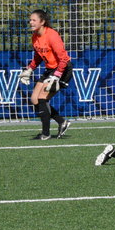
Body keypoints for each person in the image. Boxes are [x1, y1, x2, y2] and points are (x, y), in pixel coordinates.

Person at [18, 9, 73, 140]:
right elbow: (38, 56)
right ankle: (61, 121)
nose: (31, 22)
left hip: (62, 69)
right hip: (50, 70)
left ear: (42, 22)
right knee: (34, 99)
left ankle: (46, 133)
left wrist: (57, 75)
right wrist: (30, 69)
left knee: (42, 98)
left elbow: (64, 59)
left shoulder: (52, 35)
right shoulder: (35, 36)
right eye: (30, 20)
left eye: (34, 20)